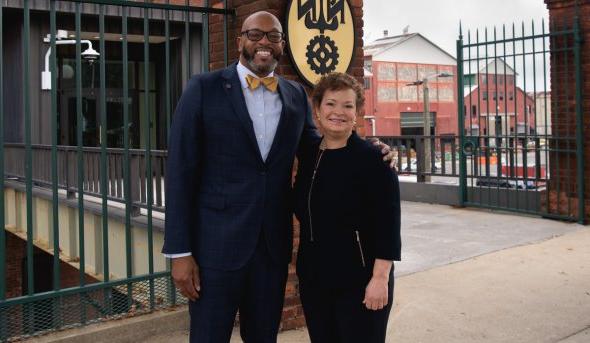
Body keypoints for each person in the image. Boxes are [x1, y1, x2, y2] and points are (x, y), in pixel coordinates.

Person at [163, 10, 395, 343]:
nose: (264, 43)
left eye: (273, 37)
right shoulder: (204, 89)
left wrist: (370, 149)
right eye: (255, 34)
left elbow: (319, 146)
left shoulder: (295, 95)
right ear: (240, 39)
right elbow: (180, 173)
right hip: (215, 250)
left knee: (264, 337)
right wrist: (179, 252)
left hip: (271, 252)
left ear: (282, 45)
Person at [294, 72, 402, 343]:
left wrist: (380, 279)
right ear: (317, 110)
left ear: (357, 113)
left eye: (347, 105)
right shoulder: (309, 152)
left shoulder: (375, 159)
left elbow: (389, 226)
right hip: (315, 278)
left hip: (361, 279)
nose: (338, 112)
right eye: (330, 104)